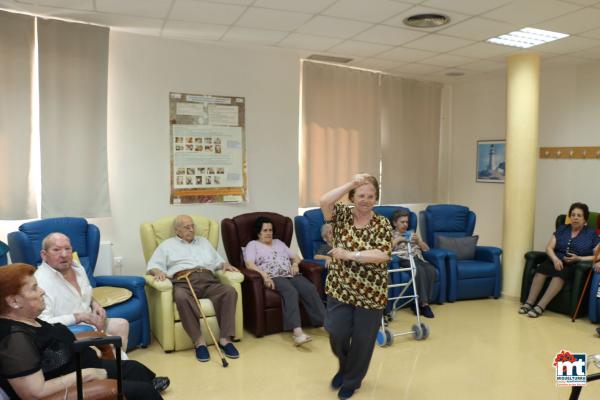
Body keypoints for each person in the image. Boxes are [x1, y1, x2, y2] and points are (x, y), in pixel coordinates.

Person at [0, 263, 168, 399]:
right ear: (14, 301)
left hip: (82, 366)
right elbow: (34, 393)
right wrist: (88, 375)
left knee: (135, 368)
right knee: (143, 391)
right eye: (34, 288)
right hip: (74, 384)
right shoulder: (14, 340)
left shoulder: (27, 318)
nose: (42, 291)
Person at [320, 173, 392, 400]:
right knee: (336, 333)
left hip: (371, 292)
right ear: (352, 197)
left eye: (371, 196)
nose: (366, 199)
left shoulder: (382, 223)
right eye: (361, 195)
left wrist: (351, 254)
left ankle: (351, 381)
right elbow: (324, 201)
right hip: (340, 287)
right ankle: (344, 366)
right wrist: (352, 182)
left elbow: (382, 255)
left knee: (363, 341)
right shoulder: (341, 215)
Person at [147, 215, 240, 362]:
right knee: (181, 297)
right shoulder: (166, 245)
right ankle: (199, 342)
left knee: (229, 292)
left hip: (208, 279)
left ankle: (225, 339)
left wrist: (225, 265)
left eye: (193, 226)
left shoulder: (203, 242)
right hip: (184, 281)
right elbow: (153, 265)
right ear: (177, 230)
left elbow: (218, 261)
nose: (191, 229)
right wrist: (157, 272)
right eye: (187, 227)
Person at [35, 232, 130, 354]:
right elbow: (43, 323)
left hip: (91, 321)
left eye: (67, 249)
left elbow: (84, 292)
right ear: (44, 255)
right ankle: (112, 364)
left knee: (122, 325)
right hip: (71, 330)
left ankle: (117, 366)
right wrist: (79, 317)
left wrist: (95, 304)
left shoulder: (78, 267)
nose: (64, 254)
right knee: (109, 350)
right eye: (56, 250)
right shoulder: (39, 282)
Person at [244, 216, 325, 346]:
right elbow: (249, 264)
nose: (269, 233)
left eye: (270, 230)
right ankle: (297, 333)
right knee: (291, 291)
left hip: (290, 273)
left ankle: (325, 323)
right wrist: (264, 275)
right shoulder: (252, 245)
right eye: (265, 230)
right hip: (274, 276)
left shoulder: (279, 242)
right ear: (258, 232)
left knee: (309, 288)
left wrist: (295, 265)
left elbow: (296, 257)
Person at [520, 202, 600, 318]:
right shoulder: (562, 229)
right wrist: (555, 259)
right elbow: (549, 247)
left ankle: (540, 306)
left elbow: (597, 255)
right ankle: (529, 303)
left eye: (579, 215)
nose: (575, 218)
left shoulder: (591, 234)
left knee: (560, 276)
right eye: (573, 215)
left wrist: (579, 258)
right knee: (541, 271)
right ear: (570, 217)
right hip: (555, 259)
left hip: (573, 264)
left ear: (584, 219)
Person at [391, 210, 438, 318]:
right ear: (394, 223)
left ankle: (418, 303)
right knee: (419, 270)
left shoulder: (412, 233)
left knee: (431, 270)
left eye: (406, 222)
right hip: (404, 258)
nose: (405, 225)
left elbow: (426, 249)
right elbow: (387, 249)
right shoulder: (391, 233)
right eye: (402, 222)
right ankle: (424, 304)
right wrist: (398, 240)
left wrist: (419, 242)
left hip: (418, 257)